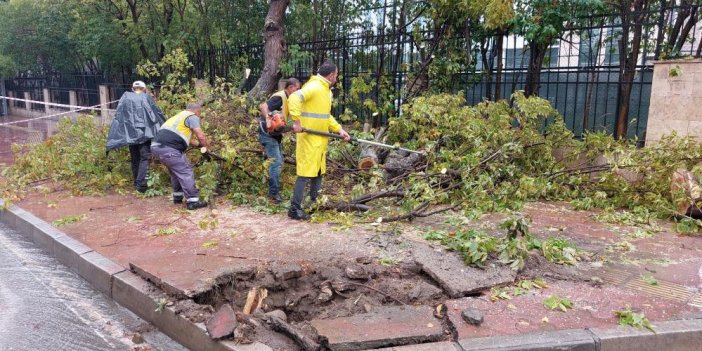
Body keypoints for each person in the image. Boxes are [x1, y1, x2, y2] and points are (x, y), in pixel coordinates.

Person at [287, 62, 351, 220]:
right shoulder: (315, 87)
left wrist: (339, 129)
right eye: (336, 75)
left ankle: (313, 203)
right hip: (309, 138)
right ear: (330, 76)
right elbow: (294, 97)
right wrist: (296, 122)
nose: (336, 78)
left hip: (320, 138)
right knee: (304, 173)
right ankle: (294, 209)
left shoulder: (324, 90)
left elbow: (325, 116)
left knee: (317, 171)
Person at [106, 80, 166, 193]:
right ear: (144, 88)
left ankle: (136, 182)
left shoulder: (126, 98)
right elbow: (156, 114)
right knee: (144, 158)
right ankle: (141, 185)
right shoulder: (146, 97)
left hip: (131, 134)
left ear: (132, 88)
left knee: (135, 158)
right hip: (144, 133)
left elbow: (119, 116)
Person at [150, 103, 210, 210]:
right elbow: (201, 135)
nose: (199, 115)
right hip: (169, 148)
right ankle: (192, 201)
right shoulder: (192, 116)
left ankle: (177, 197)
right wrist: (207, 148)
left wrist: (200, 146)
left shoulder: (178, 117)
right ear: (196, 111)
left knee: (175, 172)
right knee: (185, 171)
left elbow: (188, 140)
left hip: (157, 147)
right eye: (200, 113)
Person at [258, 78, 301, 203]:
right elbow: (263, 106)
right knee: (276, 163)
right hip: (268, 134)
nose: (298, 92)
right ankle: (273, 194)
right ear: (290, 87)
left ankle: (272, 189)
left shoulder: (288, 100)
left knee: (278, 161)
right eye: (297, 89)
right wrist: (267, 118)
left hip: (275, 135)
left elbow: (281, 122)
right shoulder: (280, 97)